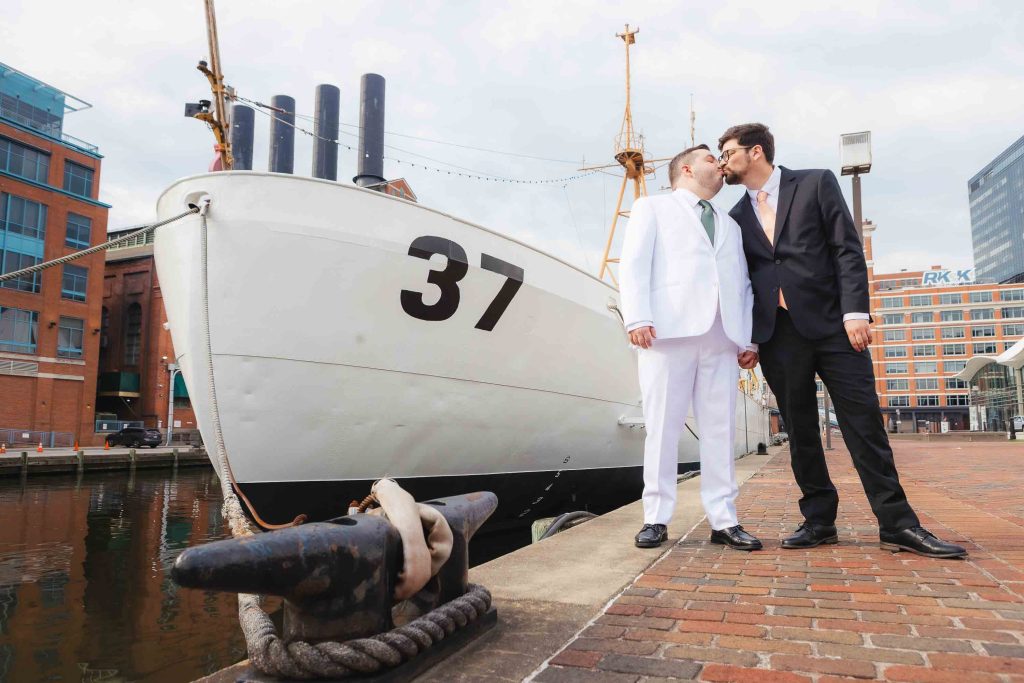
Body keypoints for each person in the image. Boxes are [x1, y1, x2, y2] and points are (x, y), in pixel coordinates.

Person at [717, 123, 966, 558]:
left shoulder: (815, 183)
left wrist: (855, 312)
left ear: (755, 152)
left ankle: (897, 524)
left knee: (863, 424)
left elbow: (845, 249)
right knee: (800, 431)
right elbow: (742, 282)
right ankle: (819, 520)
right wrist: (750, 339)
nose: (723, 161)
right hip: (778, 335)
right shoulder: (735, 218)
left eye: (727, 152)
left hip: (835, 326)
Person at [620, 144, 762, 551]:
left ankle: (724, 519)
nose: (719, 164)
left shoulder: (731, 225)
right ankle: (656, 517)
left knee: (721, 429)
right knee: (662, 427)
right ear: (685, 168)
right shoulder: (652, 208)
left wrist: (748, 337)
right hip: (668, 333)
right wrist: (637, 317)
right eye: (708, 159)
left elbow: (742, 284)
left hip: (722, 335)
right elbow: (633, 264)